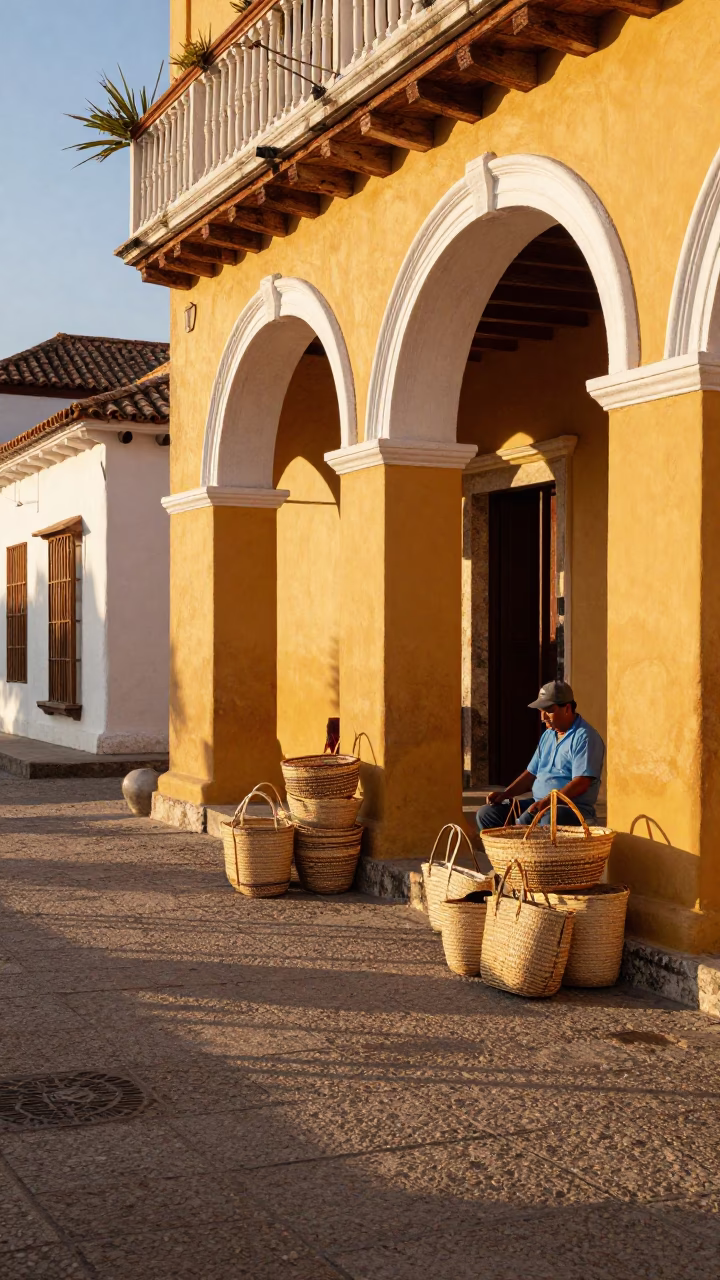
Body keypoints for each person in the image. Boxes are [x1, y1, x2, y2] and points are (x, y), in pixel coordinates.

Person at [476, 680, 605, 831]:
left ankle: (529, 852)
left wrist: (547, 803)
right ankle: (506, 855)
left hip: (570, 810)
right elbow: (531, 773)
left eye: (548, 710)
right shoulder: (548, 736)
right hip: (539, 804)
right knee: (487, 814)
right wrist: (505, 794)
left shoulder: (585, 737)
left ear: (567, 708)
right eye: (540, 711)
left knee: (546, 820)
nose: (543, 717)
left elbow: (581, 782)